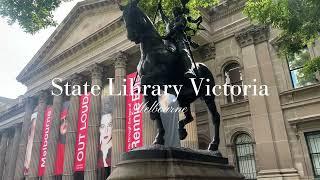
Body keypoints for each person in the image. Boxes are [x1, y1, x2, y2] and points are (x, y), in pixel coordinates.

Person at [158, 3, 197, 79]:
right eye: (173, 11)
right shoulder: (170, 22)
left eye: (175, 11)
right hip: (169, 42)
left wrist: (167, 35)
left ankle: (190, 69)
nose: (174, 12)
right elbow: (164, 18)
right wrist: (160, 10)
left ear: (178, 11)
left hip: (179, 39)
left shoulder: (182, 18)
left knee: (183, 51)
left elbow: (178, 27)